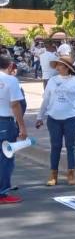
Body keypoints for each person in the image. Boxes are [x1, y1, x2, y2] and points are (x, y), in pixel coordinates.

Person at [36, 55, 75, 186]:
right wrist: (39, 117)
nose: (57, 67)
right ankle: (53, 174)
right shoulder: (52, 81)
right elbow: (46, 100)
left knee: (71, 146)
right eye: (57, 64)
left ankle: (71, 174)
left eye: (60, 65)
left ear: (67, 67)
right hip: (54, 118)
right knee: (55, 146)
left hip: (72, 118)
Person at [0, 55, 27, 204]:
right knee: (6, 157)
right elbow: (15, 105)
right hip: (5, 121)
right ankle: (2, 193)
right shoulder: (11, 80)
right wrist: (22, 126)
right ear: (10, 66)